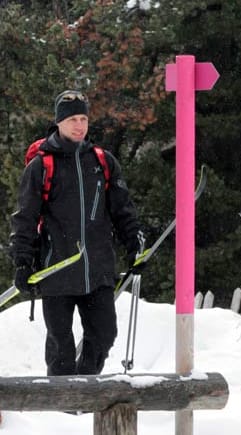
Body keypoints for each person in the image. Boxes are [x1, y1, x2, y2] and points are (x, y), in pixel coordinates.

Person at [10, 89, 143, 376]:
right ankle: (62, 413)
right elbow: (25, 218)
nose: (79, 125)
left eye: (83, 118)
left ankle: (85, 392)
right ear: (59, 122)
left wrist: (135, 245)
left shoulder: (102, 162)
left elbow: (123, 211)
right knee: (61, 348)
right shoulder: (42, 166)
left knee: (104, 335)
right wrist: (23, 261)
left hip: (97, 270)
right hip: (57, 271)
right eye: (72, 119)